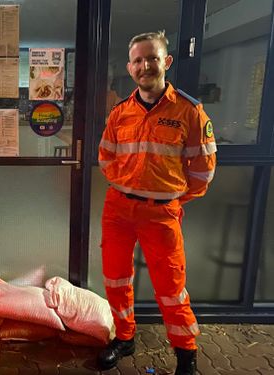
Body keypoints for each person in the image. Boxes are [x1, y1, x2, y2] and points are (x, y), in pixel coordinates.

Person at [97, 31, 216, 375]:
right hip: (118, 209)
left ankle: (186, 356)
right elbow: (106, 158)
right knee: (116, 280)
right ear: (129, 67)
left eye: (151, 58)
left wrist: (170, 197)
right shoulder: (120, 112)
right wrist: (128, 183)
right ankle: (124, 338)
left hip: (161, 213)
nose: (144, 65)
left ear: (166, 62)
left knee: (171, 288)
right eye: (137, 60)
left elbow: (203, 172)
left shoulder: (190, 112)